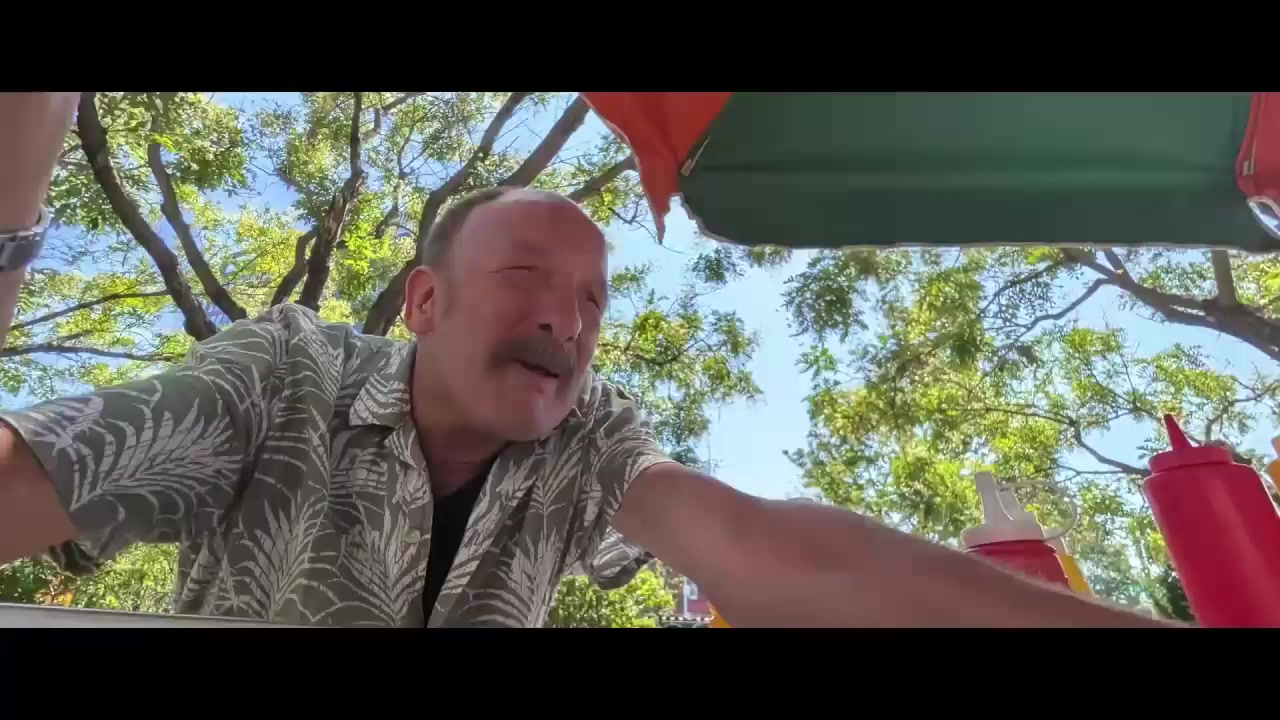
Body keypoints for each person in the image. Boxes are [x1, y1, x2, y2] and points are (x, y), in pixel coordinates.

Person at [0, 92, 1170, 627]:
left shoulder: (589, 432)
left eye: (594, 300)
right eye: (527, 276)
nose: (568, 320)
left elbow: (758, 546)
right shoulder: (281, 377)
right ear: (422, 300)